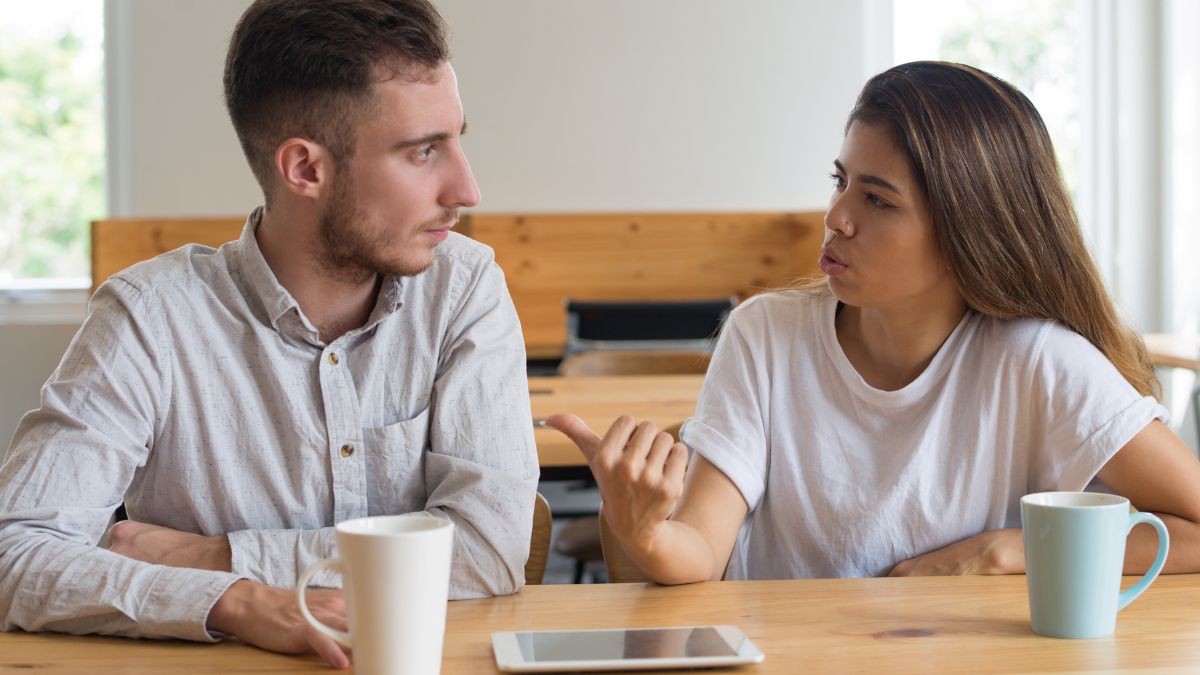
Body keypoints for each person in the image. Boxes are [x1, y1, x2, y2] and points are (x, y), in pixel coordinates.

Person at [0, 0, 537, 667]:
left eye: (458, 139)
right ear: (305, 169)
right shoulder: (149, 315)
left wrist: (215, 557)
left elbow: (488, 546)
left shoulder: (464, 288)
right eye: (424, 152)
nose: (468, 187)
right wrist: (238, 601)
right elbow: (14, 551)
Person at [550, 61, 1200, 585]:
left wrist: (1017, 548)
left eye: (878, 199)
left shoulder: (1039, 363)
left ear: (968, 232)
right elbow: (699, 551)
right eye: (840, 181)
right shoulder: (764, 334)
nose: (837, 216)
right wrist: (649, 533)